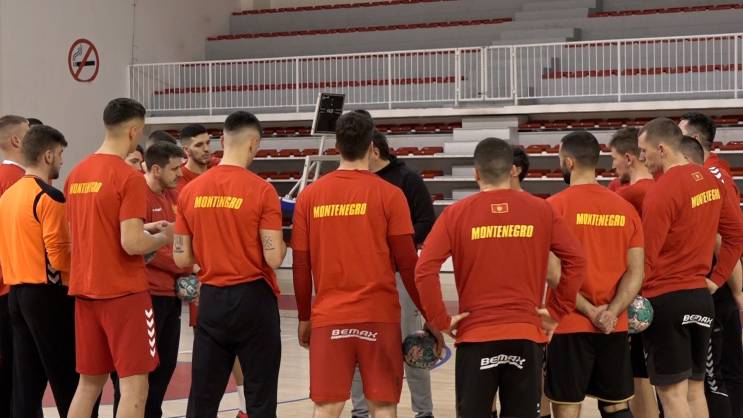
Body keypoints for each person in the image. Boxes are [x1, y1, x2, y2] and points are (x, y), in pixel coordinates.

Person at [414, 137, 587, 417]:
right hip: (525, 335)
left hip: (476, 336)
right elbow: (576, 260)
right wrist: (557, 311)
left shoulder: (455, 214)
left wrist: (440, 320)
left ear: (476, 173)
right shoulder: (542, 210)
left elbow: (424, 269)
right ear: (512, 170)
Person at [292, 111, 428, 418]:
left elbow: (301, 265)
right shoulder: (391, 195)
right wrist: (429, 314)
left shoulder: (309, 197)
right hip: (379, 317)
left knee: (326, 406)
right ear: (371, 146)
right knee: (383, 405)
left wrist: (304, 317)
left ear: (336, 147)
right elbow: (409, 265)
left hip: (329, 317)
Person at [65, 98, 174, 418]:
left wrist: (144, 228)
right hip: (124, 295)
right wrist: (165, 236)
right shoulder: (129, 177)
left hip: (85, 293)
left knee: (89, 384)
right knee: (135, 387)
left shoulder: (76, 174)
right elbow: (132, 243)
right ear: (134, 130)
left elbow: (85, 232)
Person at [173, 111, 285, 418]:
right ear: (253, 144)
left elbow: (181, 258)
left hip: (211, 299)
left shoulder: (190, 191)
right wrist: (283, 242)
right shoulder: (262, 190)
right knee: (260, 396)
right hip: (253, 298)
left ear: (222, 141)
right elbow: (274, 257)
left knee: (203, 397)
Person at [638, 117, 743, 418]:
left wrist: (629, 299)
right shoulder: (712, 181)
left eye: (644, 150)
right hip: (701, 297)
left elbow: (646, 259)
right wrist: (717, 278)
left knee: (673, 396)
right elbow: (736, 235)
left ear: (661, 149)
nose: (642, 158)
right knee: (696, 392)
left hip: (666, 299)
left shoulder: (661, 191)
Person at [544, 131, 644, 418]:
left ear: (569, 162)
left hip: (569, 323)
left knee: (567, 405)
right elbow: (636, 272)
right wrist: (610, 313)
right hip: (613, 325)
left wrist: (590, 311)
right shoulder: (625, 208)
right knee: (616, 405)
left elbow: (553, 273)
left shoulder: (553, 207)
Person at [350, 128, 436, 418]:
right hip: (363, 276)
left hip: (400, 274)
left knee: (412, 345)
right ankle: (360, 411)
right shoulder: (358, 183)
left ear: (373, 151)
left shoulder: (407, 179)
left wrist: (396, 246)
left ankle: (423, 411)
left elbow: (426, 220)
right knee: (360, 346)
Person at [0, 125, 77, 417]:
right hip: (48, 294)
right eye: (60, 153)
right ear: (47, 155)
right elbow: (59, 258)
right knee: (67, 378)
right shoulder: (50, 196)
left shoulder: (7, 197)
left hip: (15, 294)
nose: (62, 160)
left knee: (27, 383)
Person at [111, 141, 191, 418]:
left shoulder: (174, 196)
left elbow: (180, 238)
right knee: (138, 373)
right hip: (146, 296)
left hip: (170, 296)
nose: (180, 174)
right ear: (156, 169)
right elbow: (140, 246)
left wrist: (188, 267)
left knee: (165, 366)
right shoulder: (138, 194)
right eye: (174, 169)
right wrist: (183, 264)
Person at [680, 113, 743, 418]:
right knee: (724, 370)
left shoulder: (710, 176)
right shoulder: (714, 170)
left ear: (693, 140)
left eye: (679, 133)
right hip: (720, 281)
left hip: (716, 285)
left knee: (714, 375)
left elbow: (725, 236)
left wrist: (735, 288)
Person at [607, 127, 660, 418]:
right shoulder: (661, 187)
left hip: (636, 293)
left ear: (629, 158)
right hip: (664, 289)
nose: (612, 165)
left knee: (638, 377)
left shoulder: (628, 196)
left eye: (614, 158)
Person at [0, 115, 31, 417]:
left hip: (9, 282)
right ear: (16, 140)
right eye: (30, 132)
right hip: (14, 284)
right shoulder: (17, 181)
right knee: (19, 369)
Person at [176, 124, 211, 194]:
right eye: (199, 145)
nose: (206, 149)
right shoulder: (178, 179)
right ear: (186, 150)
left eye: (208, 143)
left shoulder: (216, 170)